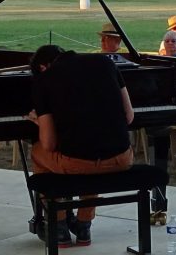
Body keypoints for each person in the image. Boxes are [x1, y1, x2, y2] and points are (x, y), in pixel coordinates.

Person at [28, 45, 134, 247]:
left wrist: (40, 121)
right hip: (122, 158)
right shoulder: (106, 63)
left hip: (79, 164)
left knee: (37, 151)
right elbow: (129, 117)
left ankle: (58, 226)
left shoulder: (45, 80)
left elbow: (49, 144)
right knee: (92, 151)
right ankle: (84, 224)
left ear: (43, 67)